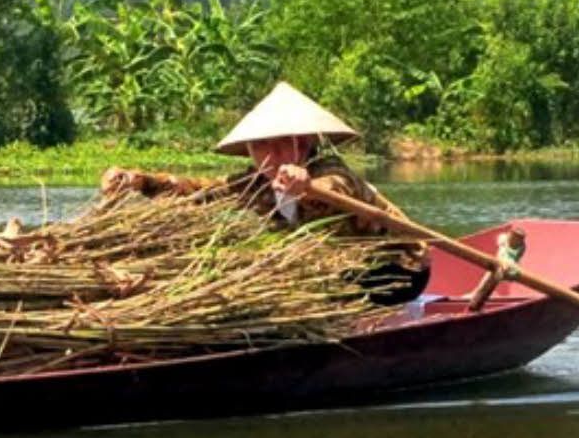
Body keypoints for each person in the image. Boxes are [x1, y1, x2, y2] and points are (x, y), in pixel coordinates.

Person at [102, 81, 432, 306]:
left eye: (281, 143)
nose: (271, 154)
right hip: (333, 271)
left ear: (303, 143)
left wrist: (306, 188)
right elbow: (198, 190)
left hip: (396, 270)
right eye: (261, 145)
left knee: (299, 285)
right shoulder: (255, 182)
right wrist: (140, 181)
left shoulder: (330, 170)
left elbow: (335, 188)